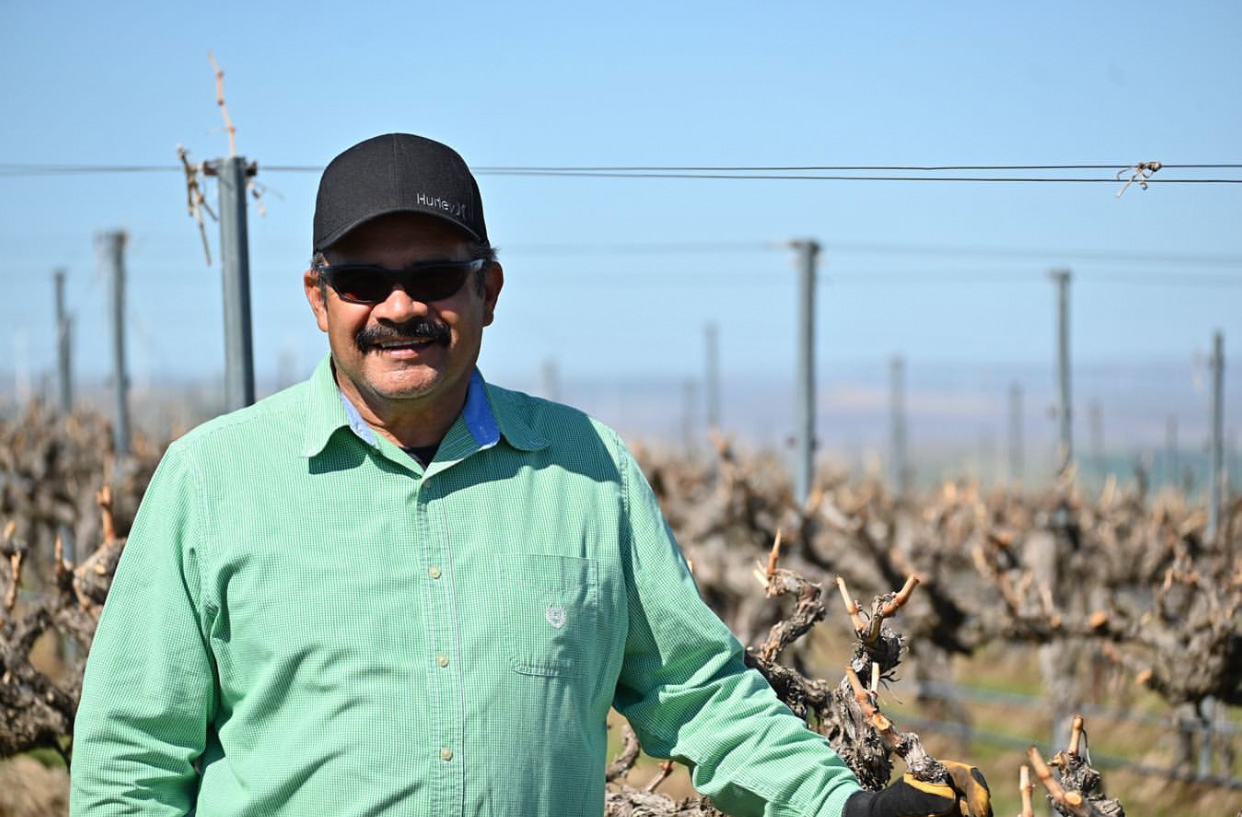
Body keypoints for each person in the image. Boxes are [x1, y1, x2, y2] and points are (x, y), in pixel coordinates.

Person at [71, 133, 991, 817]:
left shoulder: (587, 472)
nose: (399, 307)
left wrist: (841, 807)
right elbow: (128, 769)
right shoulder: (211, 482)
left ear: (490, 292)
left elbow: (698, 696)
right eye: (361, 280)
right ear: (319, 300)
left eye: (435, 275)